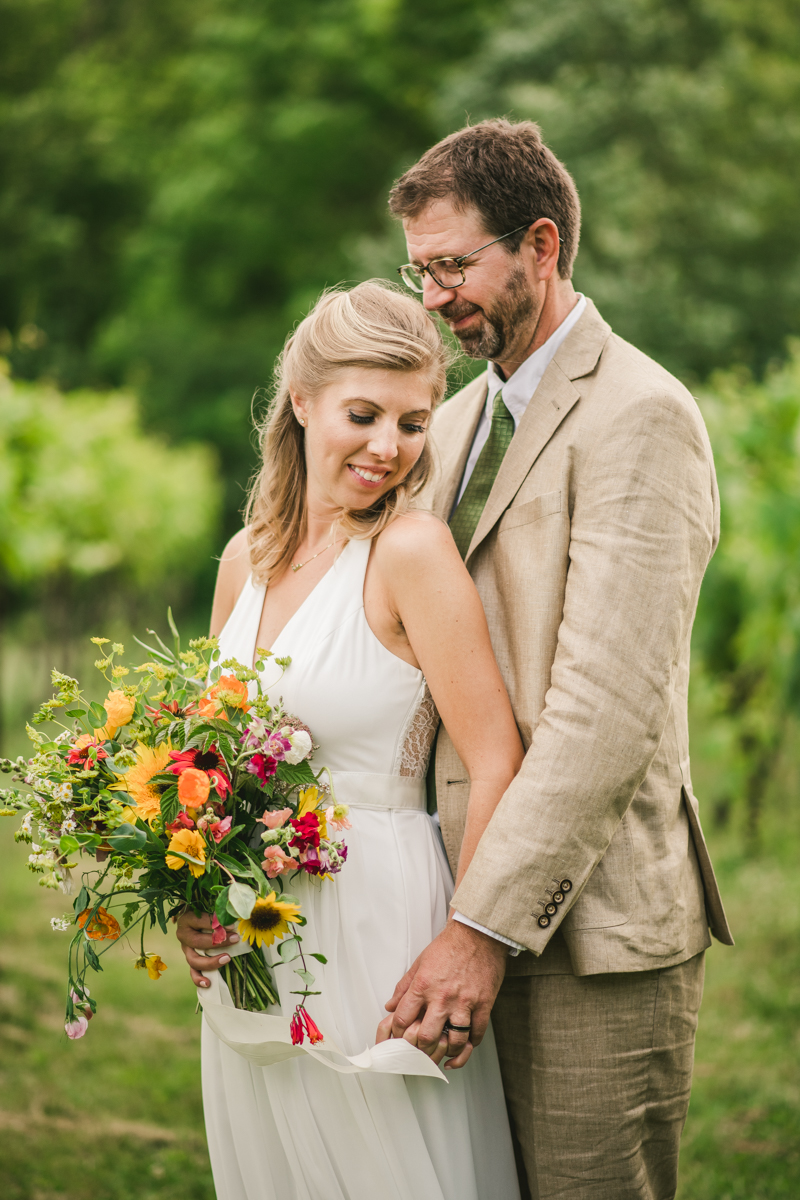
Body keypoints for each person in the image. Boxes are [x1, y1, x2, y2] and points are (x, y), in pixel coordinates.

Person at [379, 118, 734, 1200]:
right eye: (418, 270)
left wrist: (478, 928)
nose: (432, 298)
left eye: (452, 266)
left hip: (587, 934)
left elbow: (604, 717)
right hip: (434, 910)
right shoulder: (443, 425)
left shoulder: (641, 416)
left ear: (539, 245)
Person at [175, 280, 523, 1199]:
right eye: (363, 415)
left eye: (414, 424)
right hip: (254, 931)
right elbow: (203, 766)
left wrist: (466, 940)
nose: (388, 448)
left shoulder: (410, 552)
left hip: (377, 914)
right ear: (300, 401)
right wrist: (192, 897)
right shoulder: (243, 559)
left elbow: (496, 758)